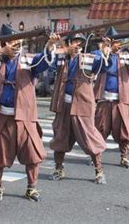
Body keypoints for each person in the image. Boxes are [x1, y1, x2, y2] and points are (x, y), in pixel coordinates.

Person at [0, 24, 58, 202]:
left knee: (32, 154)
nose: (14, 45)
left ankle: (31, 187)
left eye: (17, 41)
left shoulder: (29, 60)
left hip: (25, 116)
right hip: (3, 115)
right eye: (10, 42)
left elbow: (44, 61)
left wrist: (50, 45)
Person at [49, 27, 107, 184]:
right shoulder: (62, 57)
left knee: (89, 137)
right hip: (64, 104)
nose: (78, 45)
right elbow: (50, 59)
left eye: (80, 42)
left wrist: (104, 51)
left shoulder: (89, 58)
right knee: (60, 137)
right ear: (68, 43)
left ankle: (99, 171)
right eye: (75, 42)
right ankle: (59, 168)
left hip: (82, 105)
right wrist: (55, 45)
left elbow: (102, 66)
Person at [93, 27, 129, 168]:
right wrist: (105, 52)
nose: (118, 45)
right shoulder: (98, 54)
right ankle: (96, 157)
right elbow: (101, 66)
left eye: (119, 42)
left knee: (123, 129)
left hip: (120, 99)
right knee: (100, 129)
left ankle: (124, 157)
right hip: (104, 99)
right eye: (115, 42)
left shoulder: (125, 56)